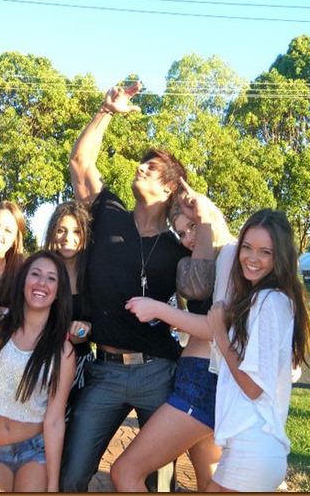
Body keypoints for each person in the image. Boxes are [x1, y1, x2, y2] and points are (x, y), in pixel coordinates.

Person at [60, 81, 216, 492]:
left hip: (158, 372)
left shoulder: (176, 249)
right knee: (71, 478)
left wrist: (202, 220)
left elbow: (200, 286)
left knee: (157, 485)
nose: (141, 168)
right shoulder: (108, 213)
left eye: (152, 168)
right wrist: (106, 112)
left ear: (169, 188)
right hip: (105, 372)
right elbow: (79, 162)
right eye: (142, 163)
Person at [113, 182, 235, 491]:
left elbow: (214, 329)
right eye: (181, 233)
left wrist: (159, 310)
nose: (188, 238)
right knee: (210, 485)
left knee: (124, 473)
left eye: (192, 227)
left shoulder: (231, 256)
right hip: (195, 379)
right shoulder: (208, 263)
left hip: (201, 385)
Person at [205, 208, 310, 492]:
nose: (252, 258)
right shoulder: (264, 299)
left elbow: (254, 387)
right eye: (247, 247)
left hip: (252, 446)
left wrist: (220, 334)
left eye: (265, 252)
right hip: (244, 447)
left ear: (280, 258)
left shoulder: (269, 301)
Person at [0, 250, 76, 492]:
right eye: (35, 274)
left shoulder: (63, 352)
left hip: (33, 451)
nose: (42, 283)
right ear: (23, 281)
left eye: (51, 278)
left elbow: (55, 420)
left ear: (59, 291)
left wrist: (52, 484)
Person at [42, 200, 94, 420]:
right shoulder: (42, 271)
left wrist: (84, 330)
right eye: (61, 230)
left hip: (81, 367)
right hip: (43, 363)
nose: (67, 237)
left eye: (76, 231)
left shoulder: (94, 275)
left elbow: (100, 324)